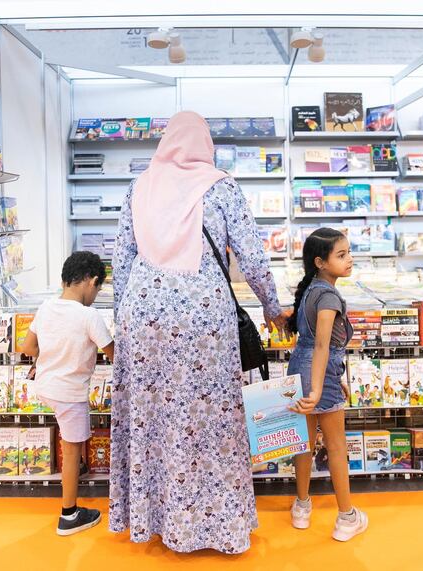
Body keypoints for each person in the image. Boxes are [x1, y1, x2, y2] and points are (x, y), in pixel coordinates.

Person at [109, 110, 290, 554]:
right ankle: (217, 526)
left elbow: (121, 261)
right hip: (204, 320)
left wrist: (124, 322)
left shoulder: (139, 186)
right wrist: (271, 305)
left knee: (154, 417)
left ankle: (159, 521)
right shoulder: (221, 186)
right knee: (211, 419)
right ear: (203, 143)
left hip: (144, 317)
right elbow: (251, 255)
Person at [21, 251, 115, 536]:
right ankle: (69, 514)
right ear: (92, 281)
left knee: (73, 441)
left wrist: (48, 360)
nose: (95, 295)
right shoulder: (89, 315)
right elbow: (114, 353)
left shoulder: (46, 307)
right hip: (70, 394)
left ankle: (74, 489)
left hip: (46, 386)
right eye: (97, 290)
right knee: (72, 450)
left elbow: (27, 348)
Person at [287, 227, 369, 542]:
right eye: (342, 254)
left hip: (301, 369)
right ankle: (347, 517)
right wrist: (321, 389)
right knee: (336, 447)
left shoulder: (310, 289)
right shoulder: (329, 296)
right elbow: (323, 347)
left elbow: (314, 346)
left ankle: (301, 507)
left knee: (303, 445)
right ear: (321, 261)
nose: (350, 259)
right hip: (318, 373)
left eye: (348, 252)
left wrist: (331, 382)